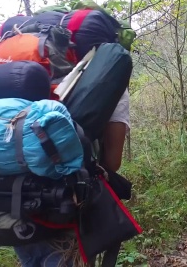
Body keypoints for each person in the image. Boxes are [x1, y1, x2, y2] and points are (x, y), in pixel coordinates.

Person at [13, 89, 131, 267]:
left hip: (13, 204)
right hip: (65, 206)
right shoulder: (108, 75)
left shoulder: (12, 76)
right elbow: (112, 162)